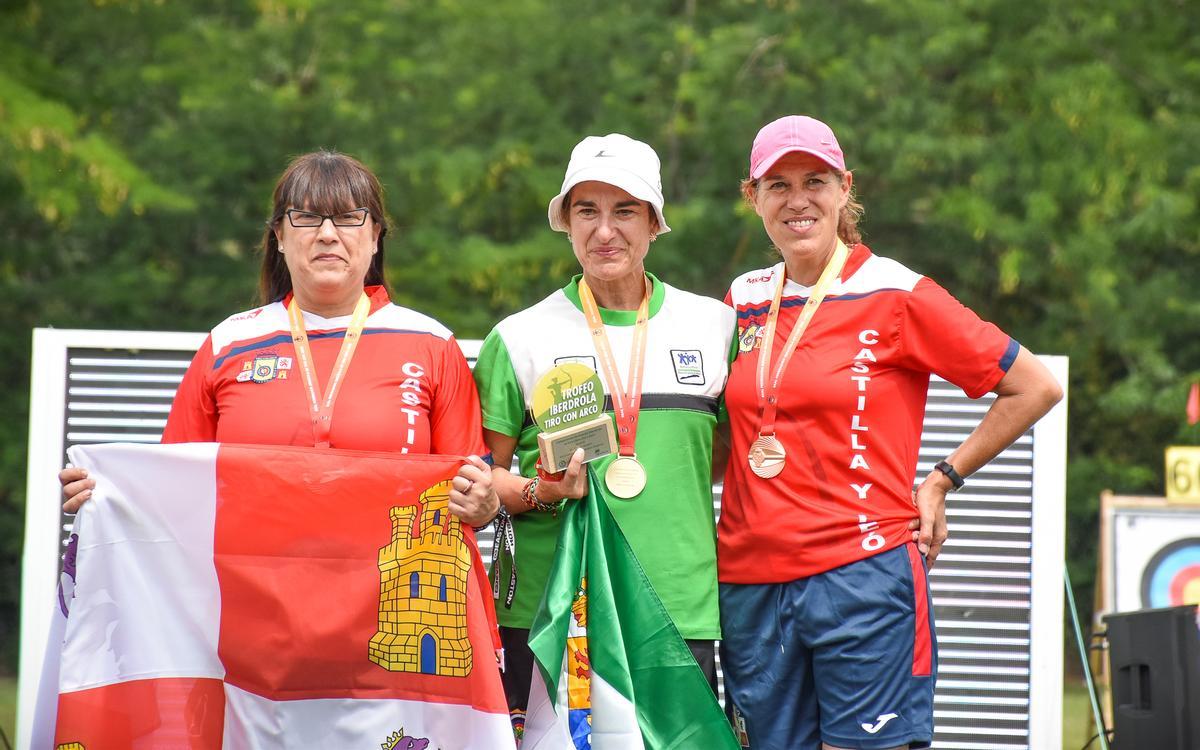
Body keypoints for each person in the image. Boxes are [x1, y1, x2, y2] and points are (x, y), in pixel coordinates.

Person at [717, 115, 1063, 750]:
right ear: (753, 197)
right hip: (750, 582)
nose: (798, 200)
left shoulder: (897, 292)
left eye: (815, 180)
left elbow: (1033, 386)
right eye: (778, 184)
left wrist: (940, 481)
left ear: (844, 187)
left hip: (862, 577)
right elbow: (725, 441)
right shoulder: (742, 298)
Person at [60, 150, 499, 532]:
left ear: (376, 236)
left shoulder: (431, 343)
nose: (328, 234)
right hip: (249, 605)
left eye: (348, 218)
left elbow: (471, 486)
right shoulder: (229, 342)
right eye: (306, 218)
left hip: (387, 608)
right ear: (280, 237)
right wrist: (109, 492)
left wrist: (485, 504)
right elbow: (173, 485)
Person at [472, 133, 736, 740]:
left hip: (678, 608)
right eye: (586, 211)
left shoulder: (715, 326)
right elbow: (482, 484)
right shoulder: (518, 338)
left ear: (653, 223)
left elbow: (719, 458)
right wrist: (545, 491)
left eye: (624, 211)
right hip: (552, 610)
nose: (604, 230)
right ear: (565, 223)